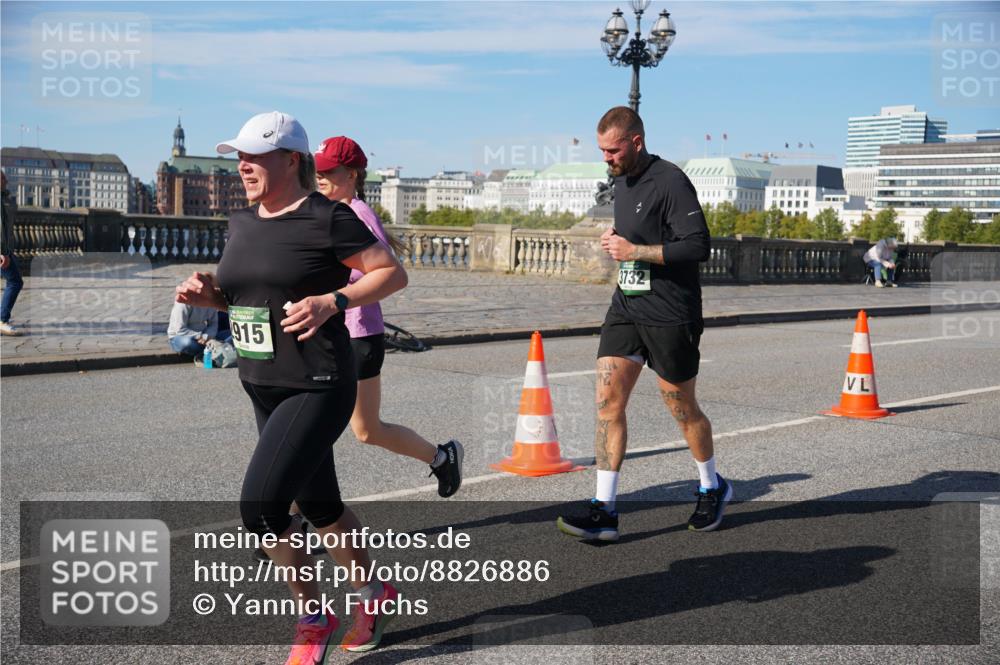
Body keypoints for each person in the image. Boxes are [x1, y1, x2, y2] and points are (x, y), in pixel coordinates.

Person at [176, 111, 407, 661]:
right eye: (240, 156)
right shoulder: (242, 222)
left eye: (254, 156)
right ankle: (373, 594)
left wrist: (334, 300)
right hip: (262, 381)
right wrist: (213, 300)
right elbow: (252, 299)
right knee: (321, 506)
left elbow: (391, 273)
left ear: (290, 160)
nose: (243, 166)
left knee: (261, 509)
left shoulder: (328, 217)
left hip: (318, 382)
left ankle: (313, 617)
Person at [556, 107, 731, 542]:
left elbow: (698, 246)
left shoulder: (671, 181)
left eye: (613, 150)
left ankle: (712, 486)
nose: (606, 158)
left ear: (636, 142)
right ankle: (604, 509)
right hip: (627, 307)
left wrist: (634, 251)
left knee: (681, 407)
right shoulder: (620, 180)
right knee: (607, 403)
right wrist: (617, 241)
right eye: (602, 151)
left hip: (671, 312)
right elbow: (636, 232)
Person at [314, 135, 463, 497]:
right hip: (328, 334)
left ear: (352, 174)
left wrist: (333, 286)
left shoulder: (358, 215)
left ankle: (442, 458)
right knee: (317, 427)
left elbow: (386, 273)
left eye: (328, 171)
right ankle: (296, 515)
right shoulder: (326, 212)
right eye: (316, 170)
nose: (319, 177)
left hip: (358, 335)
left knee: (365, 430)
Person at [166, 301, 232, 362]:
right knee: (187, 343)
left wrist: (207, 335)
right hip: (180, 336)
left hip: (204, 337)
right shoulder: (183, 302)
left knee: (232, 335)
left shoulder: (209, 301)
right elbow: (180, 329)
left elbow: (213, 323)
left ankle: (211, 350)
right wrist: (200, 336)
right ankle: (213, 350)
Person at [1, 171, 24, 336]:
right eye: (2, 178)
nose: (6, 180)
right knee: (15, 282)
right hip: (4, 251)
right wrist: (3, 253)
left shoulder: (4, 198)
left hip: (6, 249)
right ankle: (2, 320)